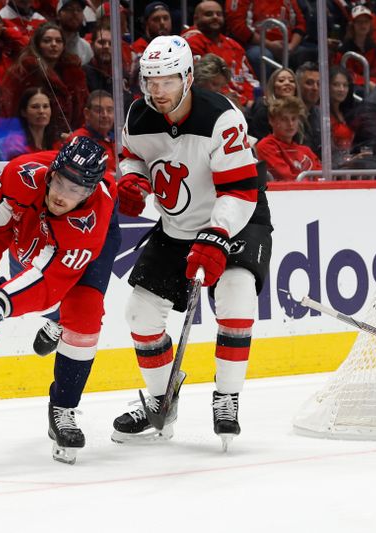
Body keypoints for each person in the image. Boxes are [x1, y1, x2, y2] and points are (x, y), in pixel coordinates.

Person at [113, 36, 272, 448]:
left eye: (166, 81)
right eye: (150, 81)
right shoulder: (139, 114)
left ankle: (227, 397)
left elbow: (240, 189)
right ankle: (161, 401)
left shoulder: (221, 117)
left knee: (236, 295)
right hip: (177, 224)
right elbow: (131, 156)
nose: (157, 91)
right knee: (140, 315)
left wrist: (217, 235)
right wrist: (132, 179)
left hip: (237, 216)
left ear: (186, 77)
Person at [0, 136, 120, 464]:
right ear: (52, 170)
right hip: (40, 229)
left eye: (75, 190)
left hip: (85, 239)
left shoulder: (91, 218)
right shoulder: (21, 174)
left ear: (90, 191)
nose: (61, 195)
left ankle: (64, 409)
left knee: (84, 314)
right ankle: (58, 323)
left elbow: (48, 283)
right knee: (53, 302)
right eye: (59, 182)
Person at [0, 22, 88, 130]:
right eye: (47, 41)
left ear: (64, 45)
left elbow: (84, 108)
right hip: (30, 135)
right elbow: (9, 108)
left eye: (58, 41)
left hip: (71, 136)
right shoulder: (23, 71)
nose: (54, 44)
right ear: (37, 44)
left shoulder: (74, 72)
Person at [182, 0, 258, 109]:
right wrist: (245, 102)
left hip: (245, 103)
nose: (215, 17)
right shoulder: (191, 42)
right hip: (215, 103)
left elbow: (251, 80)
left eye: (219, 14)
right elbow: (204, 82)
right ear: (196, 19)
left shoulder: (233, 45)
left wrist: (253, 100)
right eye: (209, 14)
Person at [225, 0, 306, 78]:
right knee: (260, 56)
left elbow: (300, 23)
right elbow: (238, 27)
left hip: (287, 45)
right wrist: (270, 45)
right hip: (252, 44)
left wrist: (291, 46)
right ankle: (264, 91)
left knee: (306, 53)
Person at [255, 95, 322, 181]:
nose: (290, 124)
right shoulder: (266, 146)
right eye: (284, 119)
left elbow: (323, 177)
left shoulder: (306, 151)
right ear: (271, 121)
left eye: (294, 119)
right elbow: (286, 177)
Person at [337, 3, 376, 92]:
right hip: (350, 88)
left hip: (371, 86)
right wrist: (365, 81)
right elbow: (344, 74)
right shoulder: (344, 49)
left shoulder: (374, 48)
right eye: (359, 22)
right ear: (353, 25)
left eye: (366, 22)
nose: (363, 25)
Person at [246, 66, 298, 141]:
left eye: (292, 81)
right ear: (272, 86)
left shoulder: (300, 110)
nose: (287, 83)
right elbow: (259, 140)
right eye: (281, 80)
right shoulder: (263, 108)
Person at [69, 90, 116, 172]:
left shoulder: (117, 140)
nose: (105, 115)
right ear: (87, 113)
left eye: (109, 110)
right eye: (99, 111)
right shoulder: (79, 140)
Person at [328, 65, 358, 167]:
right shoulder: (320, 114)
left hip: (348, 164)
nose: (341, 89)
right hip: (333, 167)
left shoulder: (348, 112)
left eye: (345, 85)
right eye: (336, 85)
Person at [295, 61, 321, 153]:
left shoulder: (319, 114)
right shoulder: (289, 115)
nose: (315, 88)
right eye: (309, 83)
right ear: (297, 85)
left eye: (319, 84)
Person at [56, 0, 92, 66]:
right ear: (58, 14)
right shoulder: (47, 43)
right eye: (69, 9)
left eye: (79, 10)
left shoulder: (86, 48)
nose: (75, 13)